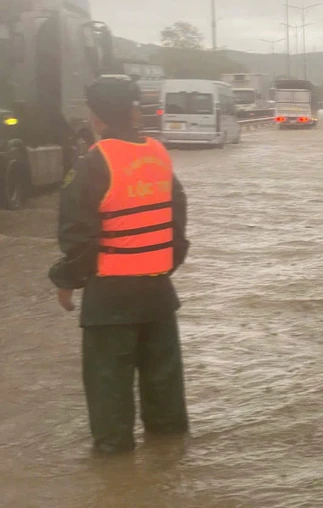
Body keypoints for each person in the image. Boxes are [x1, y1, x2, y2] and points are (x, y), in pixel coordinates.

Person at [49, 75, 190, 454]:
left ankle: (115, 477)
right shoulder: (159, 152)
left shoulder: (92, 162)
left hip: (110, 298)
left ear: (94, 116)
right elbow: (177, 220)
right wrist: (162, 264)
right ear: (133, 110)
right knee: (166, 399)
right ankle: (171, 466)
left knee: (109, 394)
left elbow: (78, 233)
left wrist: (66, 280)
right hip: (159, 293)